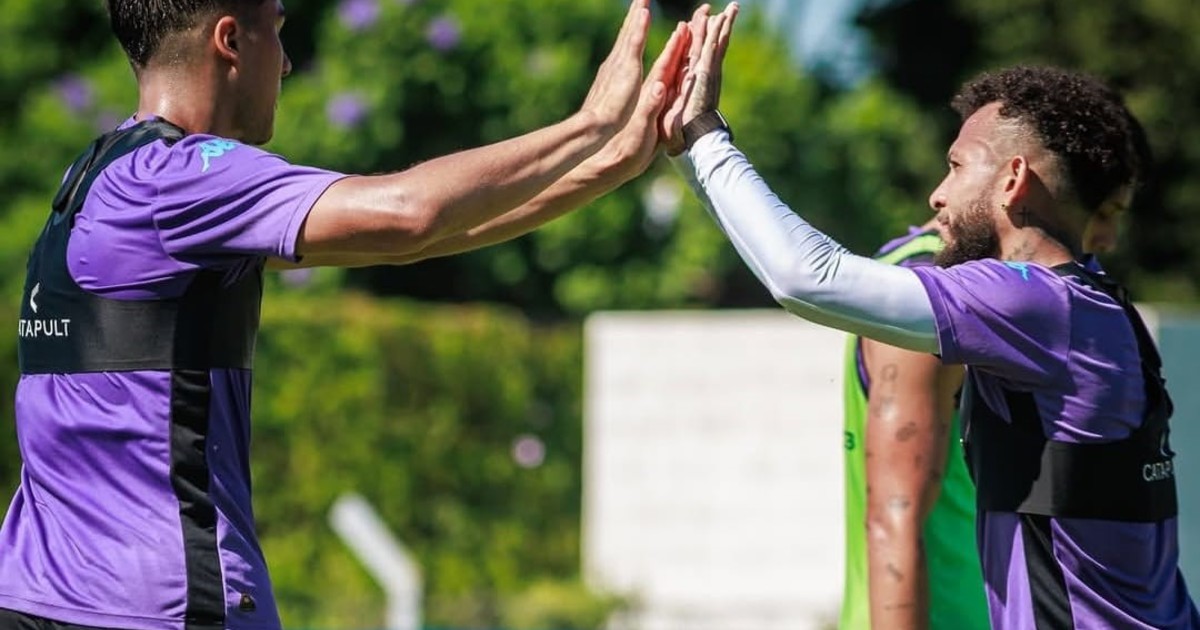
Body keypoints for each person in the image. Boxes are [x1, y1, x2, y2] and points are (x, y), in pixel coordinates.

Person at [0, 0, 691, 628]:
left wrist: (608, 165)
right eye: (278, 31)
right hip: (159, 608)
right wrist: (590, 124)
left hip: (34, 596)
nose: (287, 63)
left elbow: (414, 239)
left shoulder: (97, 177)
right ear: (230, 40)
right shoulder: (180, 179)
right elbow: (410, 212)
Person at [666, 5, 1199, 629]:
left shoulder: (1033, 304)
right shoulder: (1096, 305)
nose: (937, 194)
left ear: (1012, 180)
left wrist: (704, 135)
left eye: (956, 166)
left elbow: (809, 278)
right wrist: (688, 152)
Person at [841, 219, 988, 630]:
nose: (1106, 240)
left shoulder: (966, 283)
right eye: (1106, 214)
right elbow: (894, 522)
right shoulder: (927, 291)